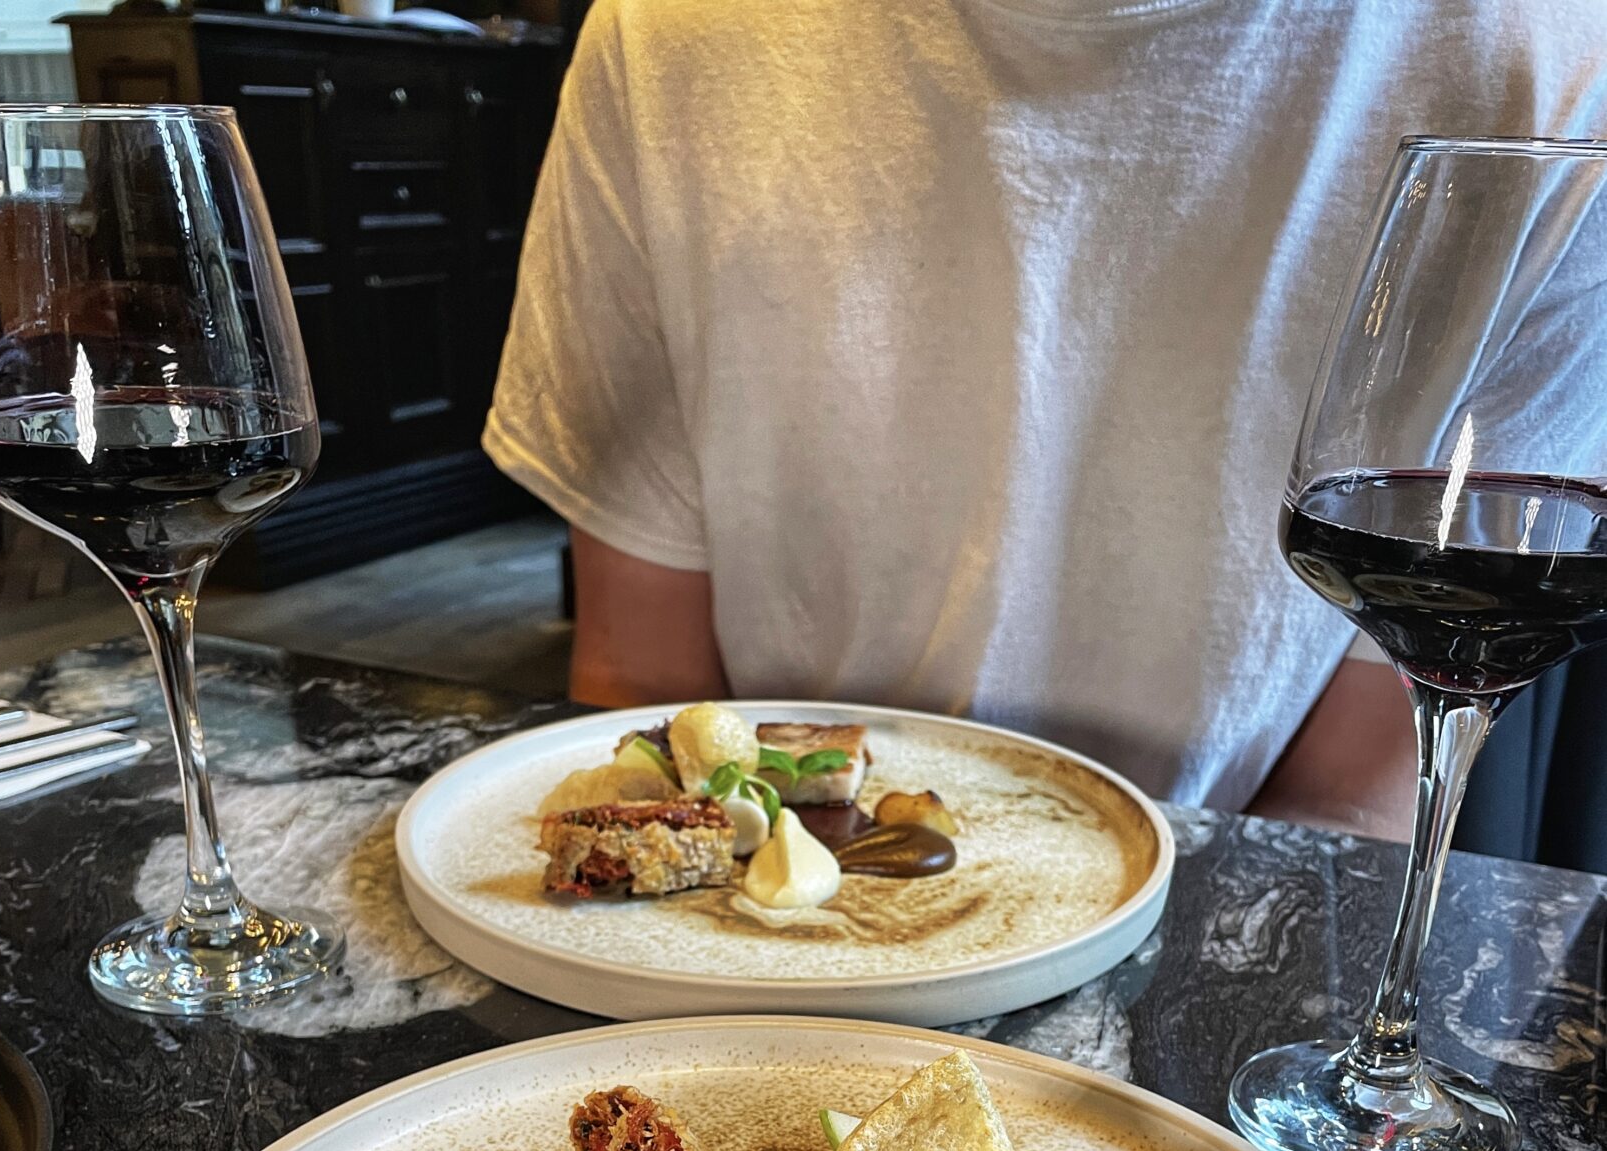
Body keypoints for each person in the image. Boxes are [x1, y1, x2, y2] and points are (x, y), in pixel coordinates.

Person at [485, 0, 1606, 839]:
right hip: (771, 887)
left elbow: (1351, 792)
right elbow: (643, 678)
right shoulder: (666, 33)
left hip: (1217, 897)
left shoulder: (1555, 66)